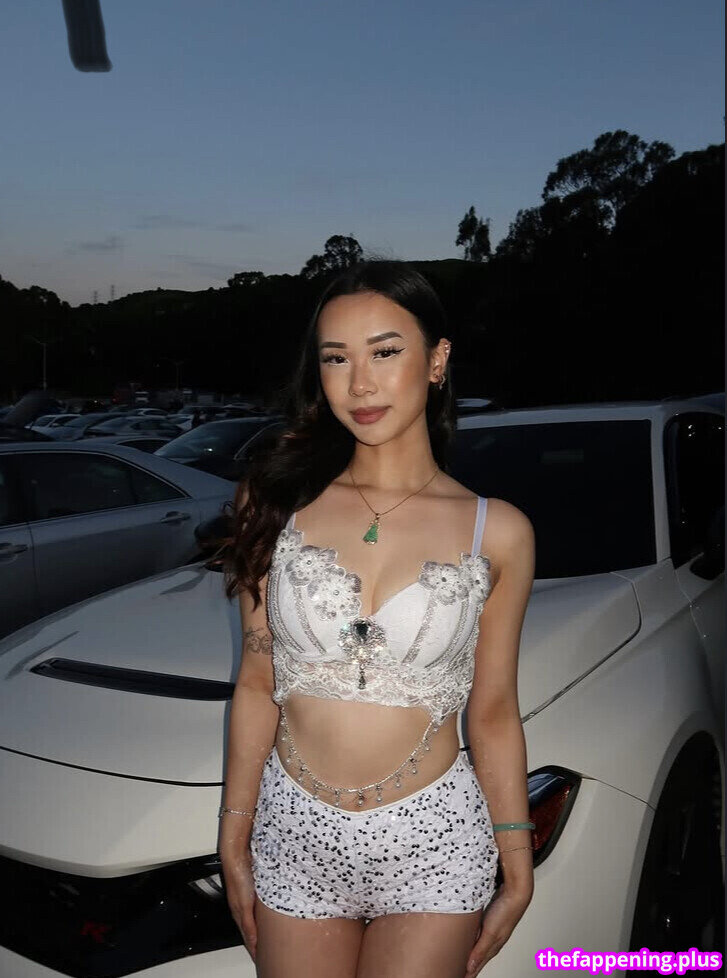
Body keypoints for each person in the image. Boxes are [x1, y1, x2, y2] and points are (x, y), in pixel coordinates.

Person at [218, 261, 535, 978]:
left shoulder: (498, 531)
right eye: (336, 359)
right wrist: (234, 836)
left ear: (437, 360)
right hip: (295, 834)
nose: (359, 384)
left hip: (434, 841)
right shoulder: (271, 504)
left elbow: (492, 711)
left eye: (385, 351)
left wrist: (515, 860)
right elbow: (256, 681)